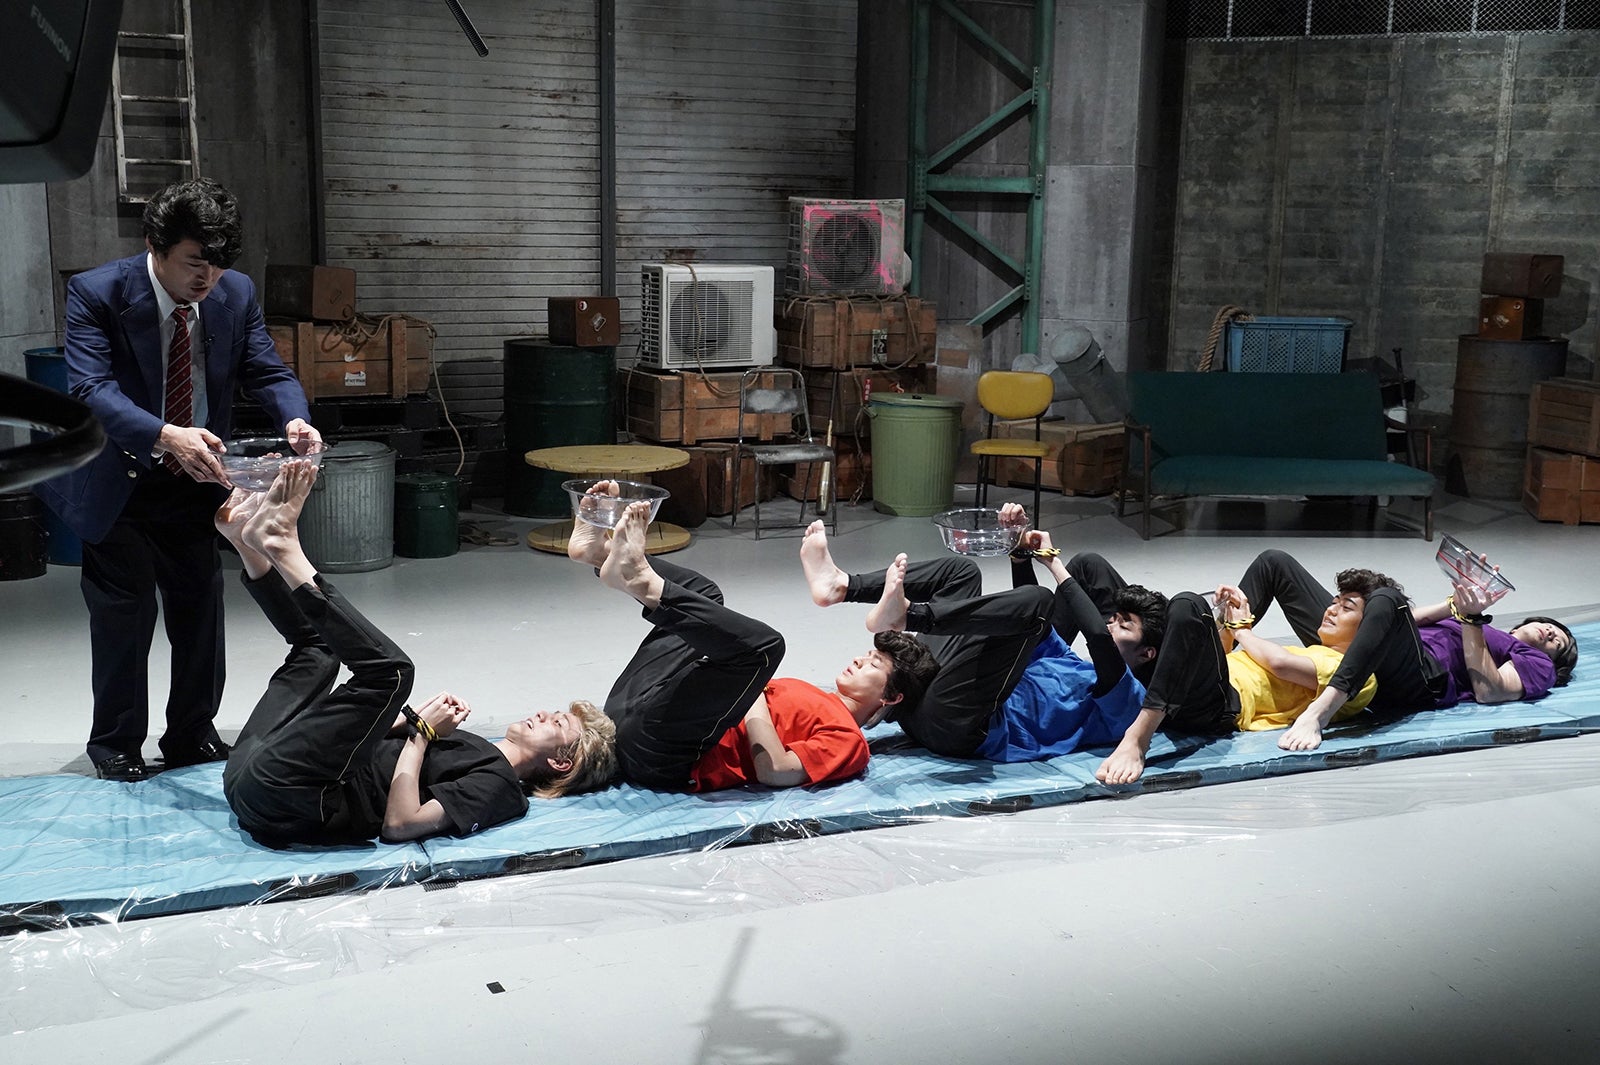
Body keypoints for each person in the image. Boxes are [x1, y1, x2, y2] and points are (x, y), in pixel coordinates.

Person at [34, 178, 320, 782]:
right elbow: (89, 388)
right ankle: (115, 744)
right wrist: (166, 434)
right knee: (124, 614)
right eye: (195, 262)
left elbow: (267, 370)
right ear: (155, 246)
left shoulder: (235, 292)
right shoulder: (98, 292)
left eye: (218, 264)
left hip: (197, 478)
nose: (207, 277)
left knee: (199, 608)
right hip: (119, 479)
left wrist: (294, 417)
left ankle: (191, 733)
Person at [218, 461, 617, 846]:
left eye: (558, 723)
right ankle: (246, 544)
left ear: (561, 763)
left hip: (289, 797)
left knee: (392, 674)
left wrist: (422, 734)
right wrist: (413, 721)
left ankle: (284, 547)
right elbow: (362, 737)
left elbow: (401, 824)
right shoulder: (471, 744)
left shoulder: (501, 786)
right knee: (318, 651)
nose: (543, 713)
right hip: (248, 772)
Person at [569, 485, 940, 793]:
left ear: (891, 697)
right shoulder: (816, 694)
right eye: (867, 654)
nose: (859, 659)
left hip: (665, 754)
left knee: (765, 650)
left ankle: (638, 576)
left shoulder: (849, 741)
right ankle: (599, 553)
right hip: (631, 711)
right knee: (704, 596)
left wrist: (753, 696)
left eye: (874, 664)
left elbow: (775, 770)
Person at [801, 506, 1169, 762]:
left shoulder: (1129, 702)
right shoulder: (1071, 664)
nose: (1109, 624)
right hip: (942, 694)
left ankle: (909, 616)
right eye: (1113, 618)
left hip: (961, 723)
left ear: (1147, 654)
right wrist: (1019, 552)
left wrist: (1055, 564)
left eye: (1123, 625)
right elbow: (1032, 626)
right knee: (961, 573)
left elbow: (1096, 638)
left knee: (1039, 601)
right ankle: (842, 586)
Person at [1234, 548, 1578, 751]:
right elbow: (1400, 619)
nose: (1552, 631)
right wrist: (1455, 603)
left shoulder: (1536, 663)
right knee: (1274, 562)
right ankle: (1219, 648)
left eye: (1558, 641)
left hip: (1420, 680)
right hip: (1366, 647)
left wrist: (1471, 619)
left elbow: (1490, 692)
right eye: (1551, 625)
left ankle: (1320, 711)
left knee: (1386, 597)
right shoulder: (1476, 622)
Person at [1095, 562, 1394, 785]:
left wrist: (1241, 629)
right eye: (1334, 603)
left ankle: (1138, 738)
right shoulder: (1313, 649)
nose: (1330, 610)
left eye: (1346, 608)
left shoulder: (1355, 675)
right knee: (1092, 567)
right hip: (1190, 681)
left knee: (1187, 603)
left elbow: (1279, 663)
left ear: (1369, 626)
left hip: (1219, 705)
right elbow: (1224, 655)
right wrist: (1228, 619)